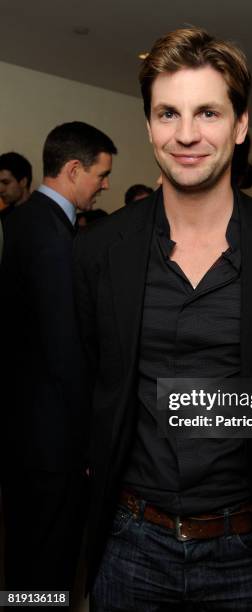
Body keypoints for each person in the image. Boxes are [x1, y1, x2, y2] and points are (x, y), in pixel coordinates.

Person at [74, 27, 252, 611]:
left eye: (208, 112)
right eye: (168, 113)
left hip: (249, 549)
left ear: (240, 126)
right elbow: (90, 385)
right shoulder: (98, 251)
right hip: (130, 544)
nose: (186, 134)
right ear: (148, 126)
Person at [0, 121, 117, 597]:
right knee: (49, 556)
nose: (104, 184)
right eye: (101, 174)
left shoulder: (21, 221)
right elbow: (63, 346)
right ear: (73, 169)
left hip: (23, 427)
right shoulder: (51, 235)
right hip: (51, 438)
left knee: (26, 551)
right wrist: (89, 437)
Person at [0, 151, 32, 220]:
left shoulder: (43, 212)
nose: (1, 189)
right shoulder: (3, 218)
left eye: (6, 183)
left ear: (23, 182)